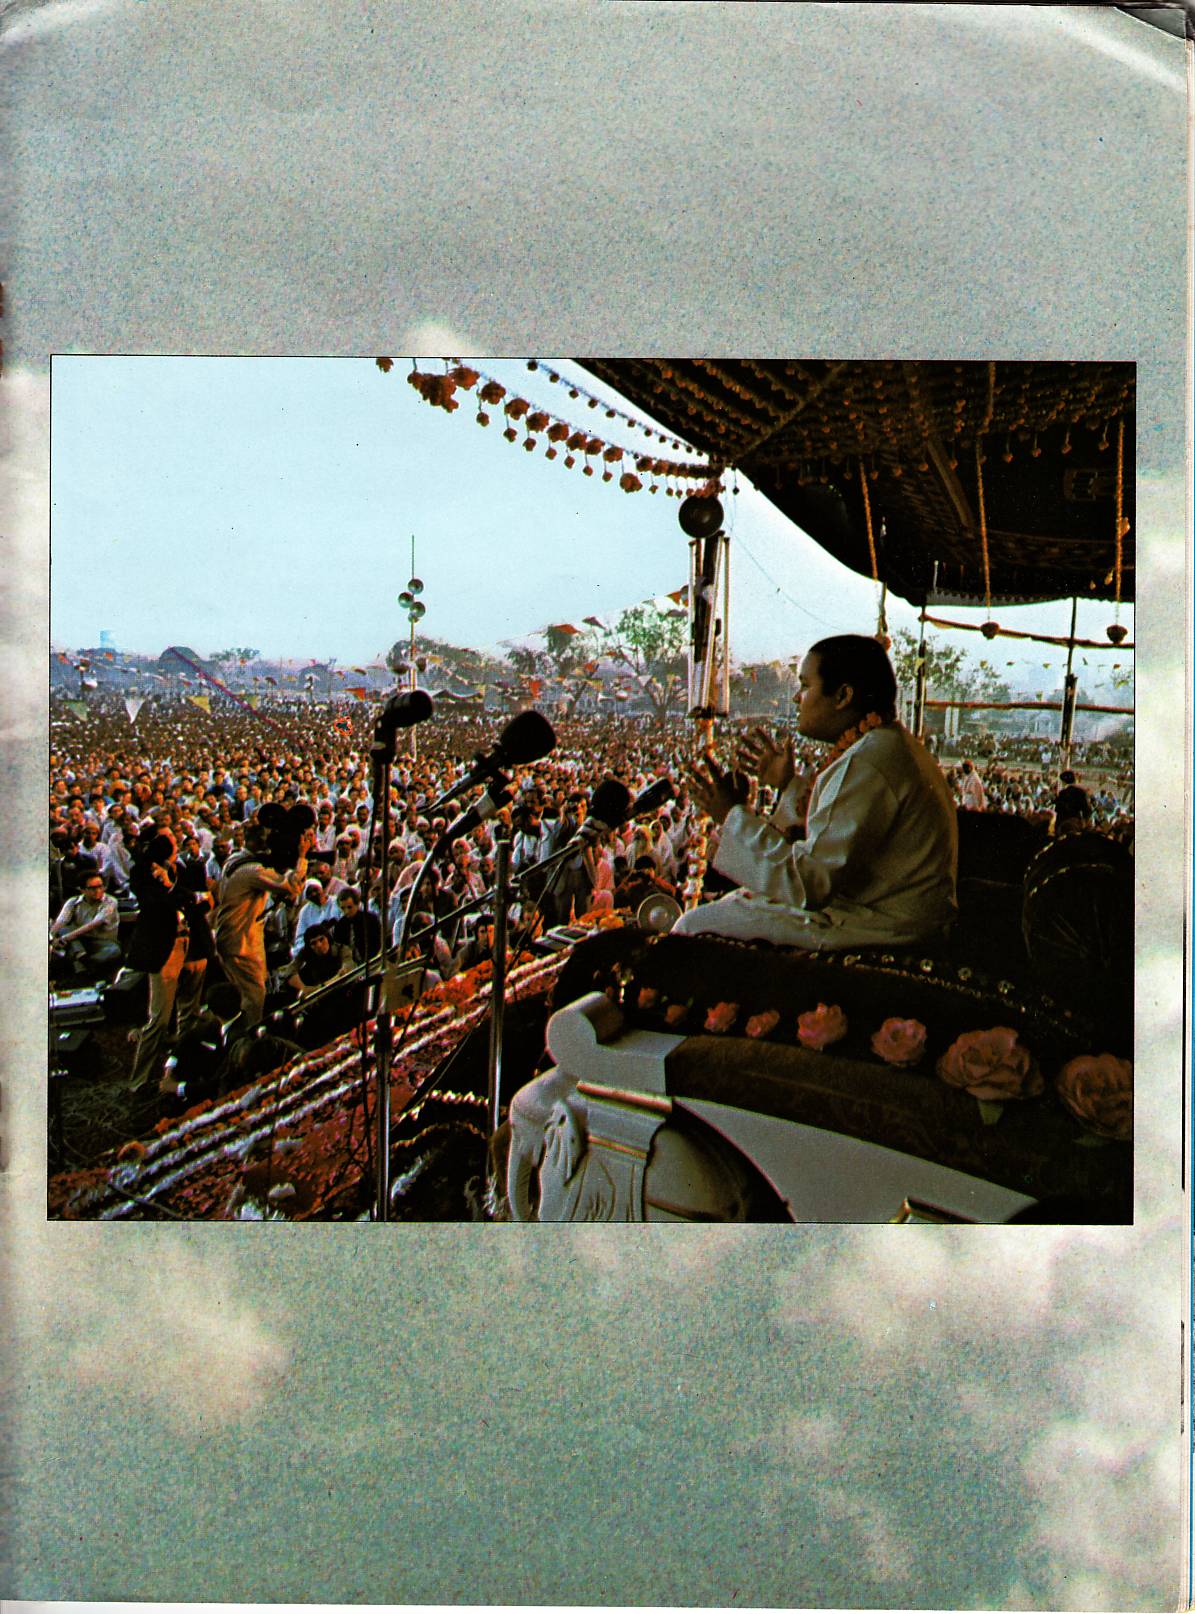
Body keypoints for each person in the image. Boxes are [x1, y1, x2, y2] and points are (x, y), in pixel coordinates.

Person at [673, 635, 957, 950]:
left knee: (692, 925)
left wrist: (731, 815)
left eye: (805, 686)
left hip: (881, 924)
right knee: (737, 903)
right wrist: (788, 785)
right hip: (877, 910)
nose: (797, 699)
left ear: (843, 696)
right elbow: (834, 836)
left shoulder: (867, 762)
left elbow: (810, 884)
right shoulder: (879, 746)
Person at [126, 830, 215, 1095]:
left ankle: (180, 1069)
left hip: (193, 944)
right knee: (159, 1020)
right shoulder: (141, 874)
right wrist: (181, 895)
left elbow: (205, 901)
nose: (176, 846)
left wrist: (175, 888)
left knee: (190, 1012)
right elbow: (162, 903)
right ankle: (138, 1082)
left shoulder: (185, 870)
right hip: (166, 948)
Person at [214, 818, 314, 1041]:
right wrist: (301, 857)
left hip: (234, 935)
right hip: (242, 940)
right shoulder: (251, 870)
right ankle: (249, 1045)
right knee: (254, 997)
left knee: (243, 993)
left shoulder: (236, 859)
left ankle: (236, 1038)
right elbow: (291, 886)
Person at [49, 873, 123, 977]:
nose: (98, 891)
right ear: (82, 889)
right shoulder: (73, 902)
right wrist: (51, 938)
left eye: (100, 886)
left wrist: (64, 939)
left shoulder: (110, 902)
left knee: (114, 951)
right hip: (79, 942)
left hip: (102, 942)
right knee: (65, 930)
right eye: (92, 888)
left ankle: (82, 963)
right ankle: (82, 959)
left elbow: (93, 924)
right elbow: (61, 922)